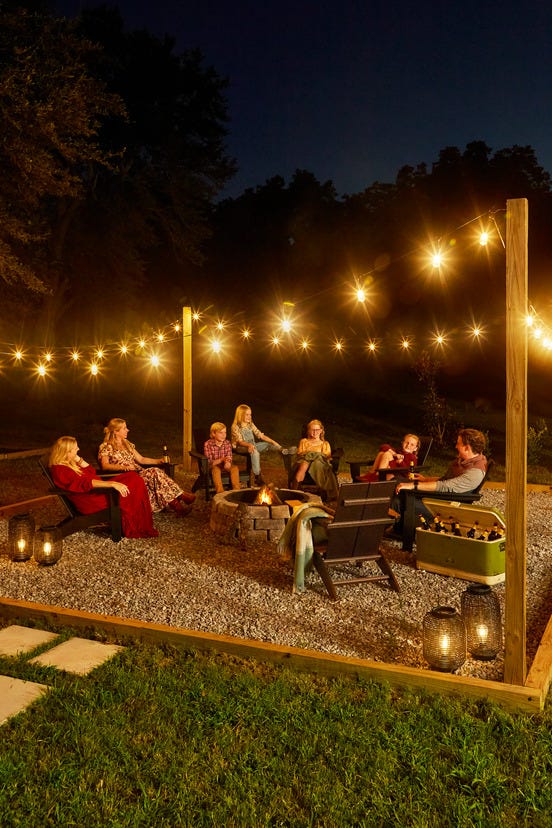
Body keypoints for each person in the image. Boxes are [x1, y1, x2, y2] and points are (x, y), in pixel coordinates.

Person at [49, 436, 158, 539]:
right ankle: (136, 524)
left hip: (95, 491)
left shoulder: (69, 463)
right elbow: (84, 483)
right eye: (75, 448)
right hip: (91, 499)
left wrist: (78, 459)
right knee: (134, 483)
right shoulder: (61, 470)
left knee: (133, 477)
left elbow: (91, 471)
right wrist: (111, 484)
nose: (78, 449)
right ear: (66, 452)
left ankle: (139, 520)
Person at [391, 428, 488, 533]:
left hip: (442, 506)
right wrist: (425, 480)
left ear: (467, 448)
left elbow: (445, 486)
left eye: (458, 444)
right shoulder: (465, 461)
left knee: (396, 498)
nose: (455, 446)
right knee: (395, 481)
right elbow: (446, 480)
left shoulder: (475, 472)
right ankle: (390, 526)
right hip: (440, 497)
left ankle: (400, 530)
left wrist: (413, 485)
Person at [98, 418, 194, 516]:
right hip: (125, 477)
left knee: (156, 473)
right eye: (124, 428)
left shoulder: (126, 443)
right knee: (155, 472)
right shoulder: (106, 446)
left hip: (137, 474)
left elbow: (141, 459)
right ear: (116, 431)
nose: (128, 430)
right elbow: (105, 466)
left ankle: (178, 506)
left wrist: (158, 460)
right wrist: (122, 467)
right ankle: (182, 497)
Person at [230, 404, 288, 486]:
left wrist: (273, 442)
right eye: (247, 415)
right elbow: (240, 441)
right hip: (240, 447)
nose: (249, 417)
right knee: (255, 452)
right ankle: (258, 476)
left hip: (252, 445)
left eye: (250, 414)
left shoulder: (250, 424)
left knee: (267, 444)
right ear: (240, 415)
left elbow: (260, 435)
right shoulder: (236, 426)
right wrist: (249, 446)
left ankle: (282, 450)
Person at [290, 419, 339, 502]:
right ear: (308, 431)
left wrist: (313, 455)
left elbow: (326, 457)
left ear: (321, 431)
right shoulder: (304, 441)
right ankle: (296, 491)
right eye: (312, 429)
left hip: (318, 464)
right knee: (308, 461)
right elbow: (300, 454)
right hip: (303, 462)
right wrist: (312, 455)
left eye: (317, 430)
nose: (315, 432)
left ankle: (297, 483)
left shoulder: (325, 444)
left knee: (317, 461)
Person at [356, 433, 421, 481]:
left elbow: (409, 472)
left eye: (412, 445)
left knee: (387, 454)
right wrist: (394, 454)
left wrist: (401, 462)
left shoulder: (412, 457)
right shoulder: (398, 451)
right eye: (406, 442)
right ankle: (372, 473)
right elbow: (384, 446)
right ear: (402, 442)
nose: (408, 445)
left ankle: (376, 475)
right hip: (390, 471)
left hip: (400, 475)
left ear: (415, 448)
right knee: (382, 453)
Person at [204, 422, 241, 494]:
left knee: (234, 468)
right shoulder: (208, 444)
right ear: (213, 434)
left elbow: (229, 456)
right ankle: (220, 492)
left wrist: (228, 462)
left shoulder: (227, 443)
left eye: (225, 433)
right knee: (216, 470)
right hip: (214, 467)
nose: (224, 435)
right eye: (221, 433)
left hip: (224, 465)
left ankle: (236, 491)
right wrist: (222, 459)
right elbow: (210, 462)